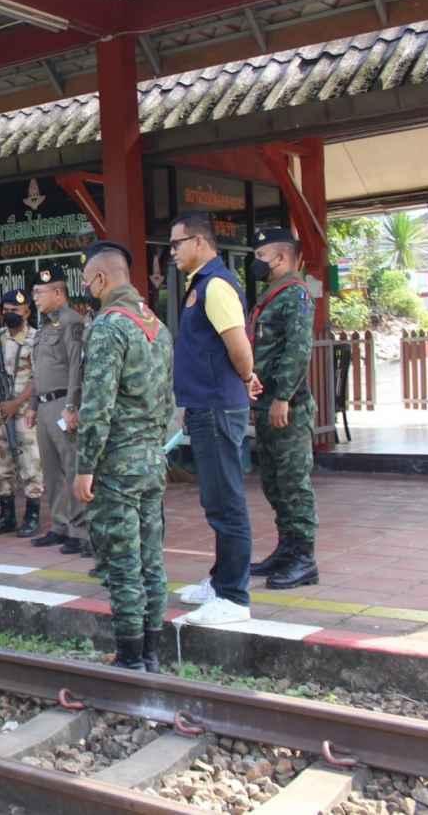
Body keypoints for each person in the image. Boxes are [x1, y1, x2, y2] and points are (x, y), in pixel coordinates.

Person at [73, 242, 174, 671]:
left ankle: (130, 656)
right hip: (153, 458)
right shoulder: (158, 326)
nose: (87, 288)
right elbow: (168, 402)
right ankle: (152, 650)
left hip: (116, 463)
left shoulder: (109, 327)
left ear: (100, 278)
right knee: (152, 558)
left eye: (87, 281)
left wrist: (85, 467)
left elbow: (97, 407)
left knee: (122, 561)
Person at [170, 212, 257, 626]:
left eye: (176, 244)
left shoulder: (216, 285)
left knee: (227, 501)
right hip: (206, 404)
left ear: (200, 243)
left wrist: (245, 377)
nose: (172, 252)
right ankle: (220, 581)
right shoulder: (201, 285)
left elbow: (237, 343)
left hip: (219, 406)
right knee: (216, 499)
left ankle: (235, 597)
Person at [247, 228, 320, 590]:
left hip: (286, 407)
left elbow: (298, 349)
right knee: (274, 483)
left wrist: (283, 397)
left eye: (261, 256)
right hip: (266, 404)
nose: (256, 263)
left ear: (279, 258)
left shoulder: (295, 295)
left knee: (293, 483)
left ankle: (304, 558)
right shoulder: (272, 295)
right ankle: (287, 548)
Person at [27, 264, 90, 555]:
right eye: (34, 293)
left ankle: (79, 530)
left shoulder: (71, 322)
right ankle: (60, 525)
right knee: (50, 471)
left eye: (39, 292)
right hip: (43, 406)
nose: (35, 298)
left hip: (63, 405)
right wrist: (31, 405)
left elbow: (77, 367)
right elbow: (37, 371)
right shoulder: (44, 327)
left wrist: (71, 406)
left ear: (58, 292)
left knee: (71, 466)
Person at [0, 290, 43, 537]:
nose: (10, 314)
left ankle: (32, 515)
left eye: (15, 310)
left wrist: (16, 403)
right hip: (0, 411)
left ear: (27, 311)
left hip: (25, 411)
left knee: (30, 463)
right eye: (6, 310)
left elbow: (40, 378)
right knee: (0, 463)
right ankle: (6, 516)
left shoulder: (36, 339)